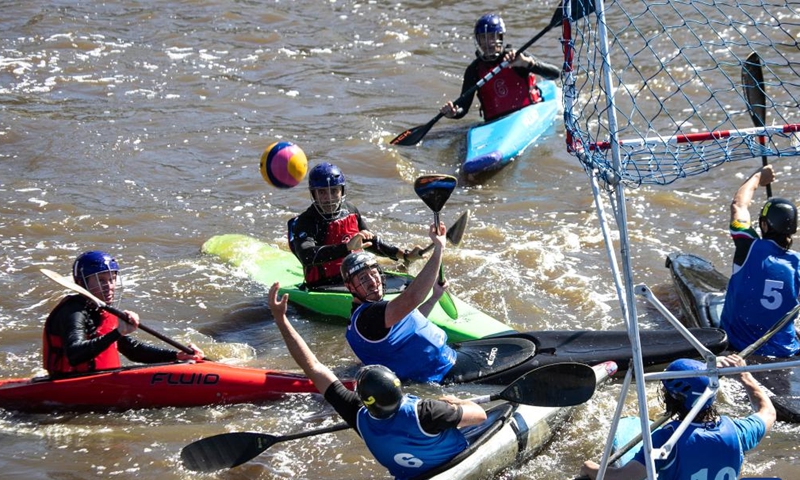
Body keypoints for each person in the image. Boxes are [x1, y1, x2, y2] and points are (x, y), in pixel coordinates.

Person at [267, 282, 487, 479]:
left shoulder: (358, 417)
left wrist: (281, 319)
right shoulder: (427, 411)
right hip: (455, 460)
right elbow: (480, 415)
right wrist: (454, 401)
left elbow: (313, 367)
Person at [580, 355, 775, 480]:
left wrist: (590, 468)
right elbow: (768, 412)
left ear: (674, 398)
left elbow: (627, 477)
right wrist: (745, 376)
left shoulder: (666, 439)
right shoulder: (738, 430)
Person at [342, 221, 471, 383]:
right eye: (362, 278)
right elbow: (413, 297)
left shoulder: (369, 314)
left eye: (373, 274)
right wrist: (439, 248)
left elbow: (406, 322)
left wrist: (433, 298)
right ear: (349, 287)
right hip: (441, 374)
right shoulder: (368, 316)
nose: (372, 282)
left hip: (444, 360)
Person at [43, 251, 204, 376]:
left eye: (112, 279)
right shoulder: (73, 312)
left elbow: (131, 350)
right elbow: (75, 354)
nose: (109, 286)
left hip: (100, 381)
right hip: (69, 384)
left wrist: (176, 356)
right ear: (81, 283)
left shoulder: (104, 310)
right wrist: (118, 332)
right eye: (101, 280)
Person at [288, 162, 425, 288]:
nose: (328, 198)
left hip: (357, 275)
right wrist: (346, 247)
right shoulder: (306, 221)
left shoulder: (350, 210)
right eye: (322, 192)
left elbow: (370, 241)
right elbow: (306, 256)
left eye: (334, 191)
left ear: (342, 191)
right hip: (325, 284)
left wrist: (404, 255)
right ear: (314, 193)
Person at [719, 165, 800, 357]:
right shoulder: (797, 262)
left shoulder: (747, 246)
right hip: (785, 350)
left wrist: (757, 177)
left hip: (739, 345)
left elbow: (738, 205)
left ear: (763, 225)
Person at [439, 13, 561, 123]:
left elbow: (555, 74)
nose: (488, 43)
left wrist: (528, 64)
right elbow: (463, 107)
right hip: (495, 122)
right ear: (478, 41)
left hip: (527, 114)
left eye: (492, 36)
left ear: (500, 38)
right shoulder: (473, 70)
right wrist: (453, 112)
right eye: (483, 38)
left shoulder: (516, 57)